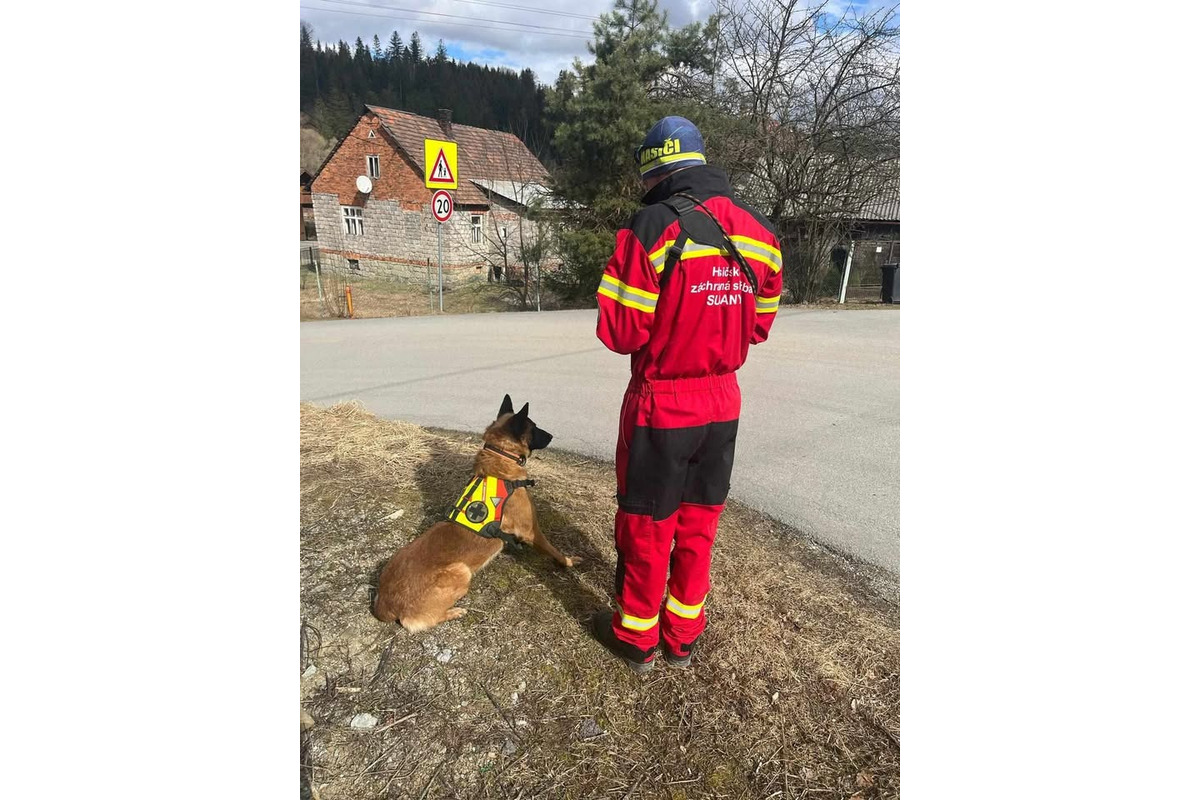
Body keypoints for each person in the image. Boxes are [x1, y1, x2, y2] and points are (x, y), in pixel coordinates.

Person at [590, 116, 784, 673]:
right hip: (723, 404)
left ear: (653, 173)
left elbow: (621, 332)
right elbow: (758, 327)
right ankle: (683, 636)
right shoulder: (760, 231)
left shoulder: (650, 227)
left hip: (663, 403)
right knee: (700, 521)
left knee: (648, 526)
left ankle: (636, 638)